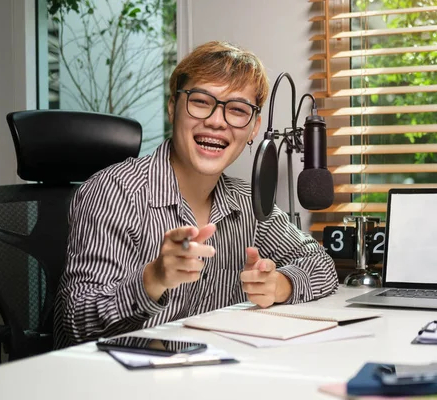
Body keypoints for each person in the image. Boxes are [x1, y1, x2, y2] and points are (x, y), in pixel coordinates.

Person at [54, 41, 339, 349]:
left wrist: (279, 285)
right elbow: (77, 324)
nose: (217, 121)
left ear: (254, 128)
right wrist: (154, 278)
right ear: (173, 107)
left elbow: (320, 263)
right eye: (201, 102)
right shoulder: (114, 192)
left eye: (237, 110)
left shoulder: (248, 201)